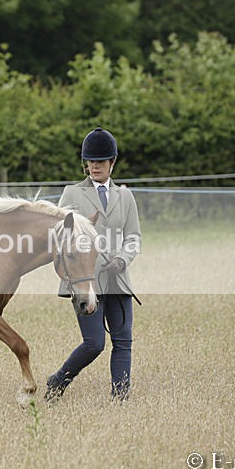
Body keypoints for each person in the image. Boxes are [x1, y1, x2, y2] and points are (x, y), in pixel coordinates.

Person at [45, 127, 141, 403]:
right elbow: (57, 231)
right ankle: (58, 379)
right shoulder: (72, 194)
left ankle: (120, 400)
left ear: (112, 163)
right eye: (91, 162)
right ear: (85, 163)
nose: (95, 166)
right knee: (95, 343)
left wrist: (122, 258)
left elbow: (133, 236)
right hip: (84, 278)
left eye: (101, 161)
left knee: (123, 342)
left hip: (118, 278)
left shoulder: (125, 197)